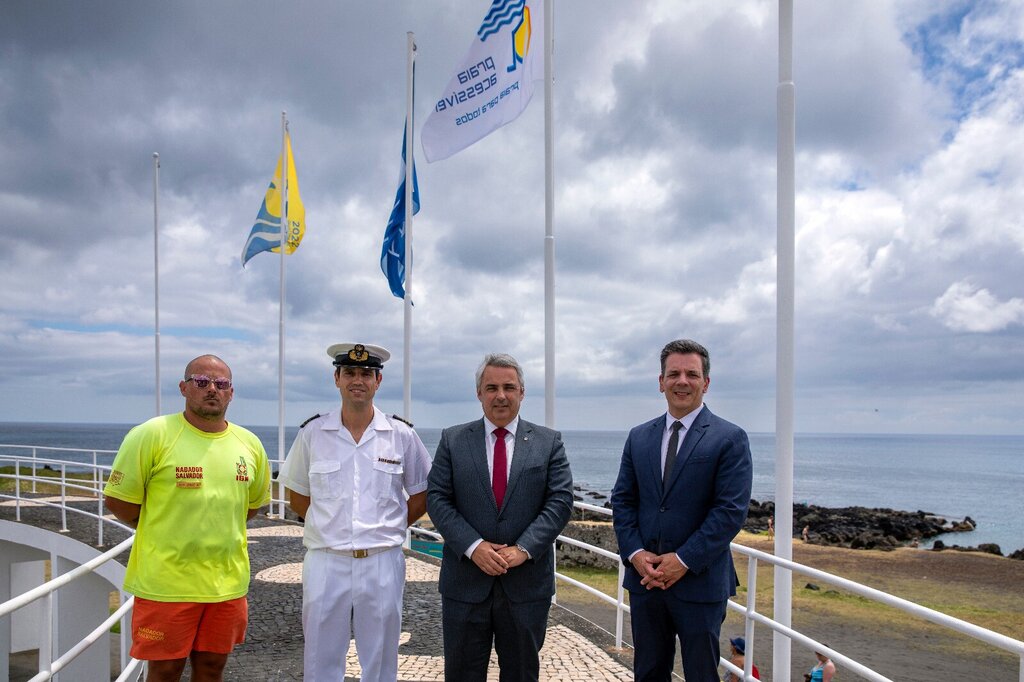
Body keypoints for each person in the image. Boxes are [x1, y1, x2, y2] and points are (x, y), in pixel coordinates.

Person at [103, 355, 271, 682]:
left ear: (231, 393)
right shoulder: (152, 434)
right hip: (166, 584)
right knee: (164, 671)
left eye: (221, 384)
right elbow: (120, 502)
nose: (212, 389)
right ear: (184, 388)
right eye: (201, 382)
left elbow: (250, 506)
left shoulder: (249, 444)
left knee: (211, 670)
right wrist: (165, 527)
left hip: (226, 585)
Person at [277, 342, 431, 682]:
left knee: (380, 659)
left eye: (366, 374)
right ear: (336, 378)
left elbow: (421, 494)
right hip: (326, 559)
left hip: (381, 560)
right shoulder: (313, 433)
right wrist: (330, 528)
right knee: (320, 657)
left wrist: (387, 528)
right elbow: (298, 495)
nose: (357, 380)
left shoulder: (401, 435)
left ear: (378, 381)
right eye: (349, 373)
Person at [611, 339, 753, 682]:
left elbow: (729, 511)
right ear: (661, 381)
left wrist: (683, 560)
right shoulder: (639, 436)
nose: (682, 381)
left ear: (706, 382)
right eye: (673, 373)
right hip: (646, 581)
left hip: (700, 583)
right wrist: (635, 553)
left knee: (702, 674)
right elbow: (623, 501)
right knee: (648, 672)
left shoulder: (729, 438)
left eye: (692, 374)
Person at [427, 353, 574, 682]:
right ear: (478, 393)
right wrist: (474, 546)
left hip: (526, 586)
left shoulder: (549, 442)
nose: (501, 395)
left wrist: (522, 549)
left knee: (522, 674)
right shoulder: (453, 440)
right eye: (491, 387)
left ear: (522, 392)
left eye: (509, 387)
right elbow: (437, 498)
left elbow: (560, 501)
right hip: (465, 583)